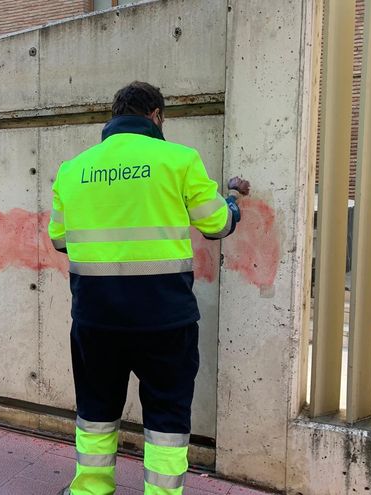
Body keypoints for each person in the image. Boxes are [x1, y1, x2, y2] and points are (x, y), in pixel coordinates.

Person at [50, 81, 250, 495]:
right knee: (166, 417)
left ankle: (90, 491)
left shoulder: (73, 169)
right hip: (165, 320)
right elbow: (217, 224)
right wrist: (232, 199)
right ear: (156, 115)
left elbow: (60, 239)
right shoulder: (179, 160)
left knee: (96, 412)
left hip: (95, 319)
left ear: (114, 115)